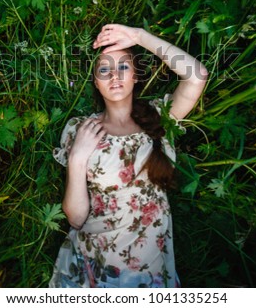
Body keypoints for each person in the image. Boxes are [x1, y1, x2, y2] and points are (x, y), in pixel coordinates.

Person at [49, 24, 208, 288]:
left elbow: (197, 75)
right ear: (96, 83)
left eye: (123, 66)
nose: (114, 75)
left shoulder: (160, 119)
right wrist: (77, 158)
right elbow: (76, 218)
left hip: (151, 273)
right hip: (94, 269)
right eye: (104, 70)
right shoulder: (81, 129)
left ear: (135, 75)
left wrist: (138, 36)